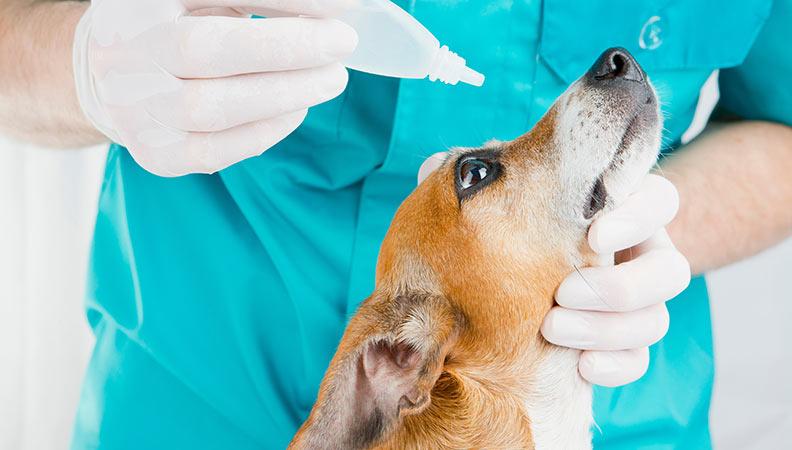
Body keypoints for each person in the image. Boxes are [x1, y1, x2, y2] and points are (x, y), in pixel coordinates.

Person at [1, 0, 790, 448]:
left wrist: (643, 240)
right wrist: (81, 62)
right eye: (479, 172)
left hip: (626, 416)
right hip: (195, 401)